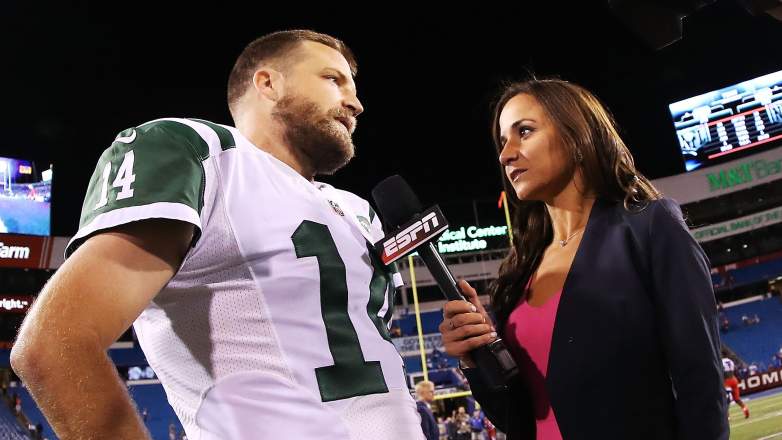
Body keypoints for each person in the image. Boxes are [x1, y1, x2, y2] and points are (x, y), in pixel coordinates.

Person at [11, 30, 422, 439]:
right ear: (268, 83)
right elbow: (53, 345)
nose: (355, 102)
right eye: (333, 79)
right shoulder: (200, 153)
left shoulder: (357, 210)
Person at [439, 79, 727, 439]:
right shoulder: (519, 271)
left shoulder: (648, 227)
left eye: (524, 132)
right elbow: (519, 419)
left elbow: (700, 379)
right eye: (501, 142)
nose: (505, 154)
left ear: (577, 136)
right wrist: (475, 357)